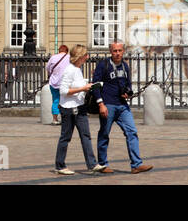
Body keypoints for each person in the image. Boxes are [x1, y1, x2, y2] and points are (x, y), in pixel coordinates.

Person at [91, 41, 152, 174]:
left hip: (122, 106)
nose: (117, 53)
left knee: (132, 132)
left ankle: (136, 164)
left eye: (119, 50)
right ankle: (102, 164)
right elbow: (95, 85)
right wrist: (101, 104)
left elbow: (128, 84)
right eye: (115, 51)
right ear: (110, 52)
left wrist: (128, 93)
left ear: (123, 51)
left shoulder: (125, 66)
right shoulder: (103, 65)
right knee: (104, 134)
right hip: (108, 104)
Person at [53, 46, 101, 175]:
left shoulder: (78, 70)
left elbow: (77, 85)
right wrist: (82, 89)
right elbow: (63, 91)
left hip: (80, 107)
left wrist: (88, 86)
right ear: (80, 57)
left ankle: (92, 164)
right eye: (85, 55)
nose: (87, 57)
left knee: (86, 136)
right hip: (69, 108)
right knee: (66, 137)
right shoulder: (70, 70)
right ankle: (60, 165)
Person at [45, 44, 71, 123]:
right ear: (66, 51)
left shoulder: (53, 57)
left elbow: (48, 68)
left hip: (54, 82)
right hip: (65, 83)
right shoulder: (69, 57)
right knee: (65, 101)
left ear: (59, 50)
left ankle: (55, 119)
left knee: (55, 100)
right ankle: (65, 119)